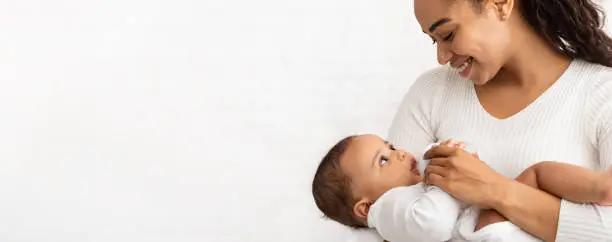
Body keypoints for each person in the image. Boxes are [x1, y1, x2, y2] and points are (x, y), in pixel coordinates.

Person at [365, 0, 612, 241]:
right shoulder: (430, 93)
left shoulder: (603, 93)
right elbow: (385, 216)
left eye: (448, 35)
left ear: (501, 4)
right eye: (434, 40)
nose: (441, 57)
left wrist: (495, 190)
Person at [312, 134, 612, 242]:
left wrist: (460, 159)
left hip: (484, 222)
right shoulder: (386, 211)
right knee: (537, 174)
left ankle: (601, 187)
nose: (401, 153)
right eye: (384, 160)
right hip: (479, 231)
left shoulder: (408, 192)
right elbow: (434, 223)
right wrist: (449, 185)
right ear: (364, 207)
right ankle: (599, 188)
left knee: (538, 173)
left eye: (390, 146)